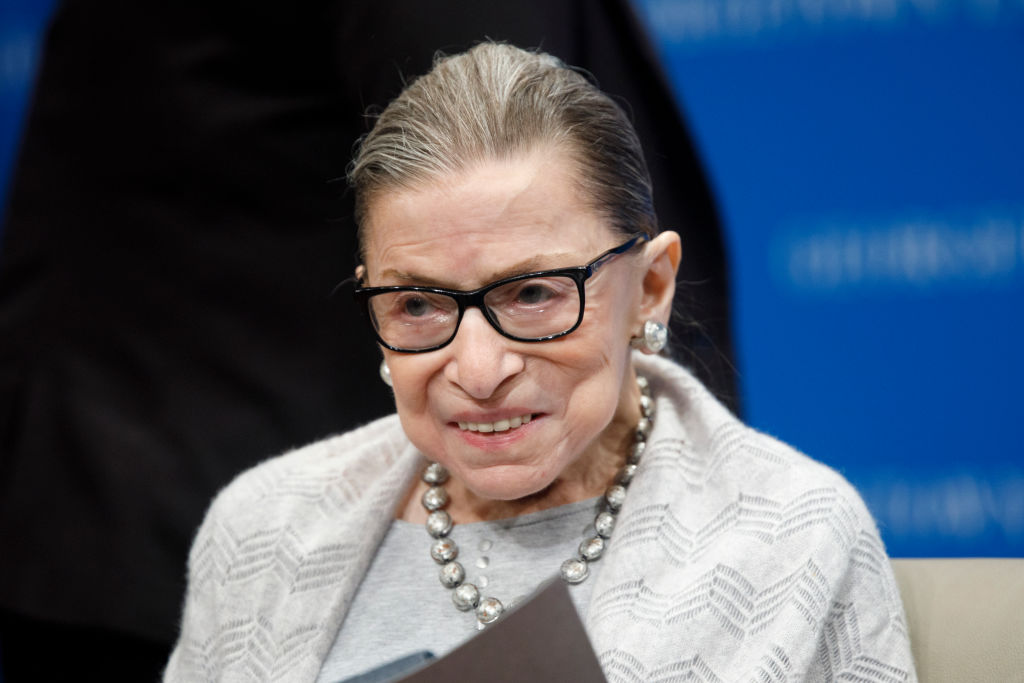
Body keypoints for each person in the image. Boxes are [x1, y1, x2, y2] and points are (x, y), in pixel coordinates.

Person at [164, 43, 915, 682]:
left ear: (650, 286)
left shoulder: (794, 533)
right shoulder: (260, 528)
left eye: (531, 293)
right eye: (419, 305)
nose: (480, 370)